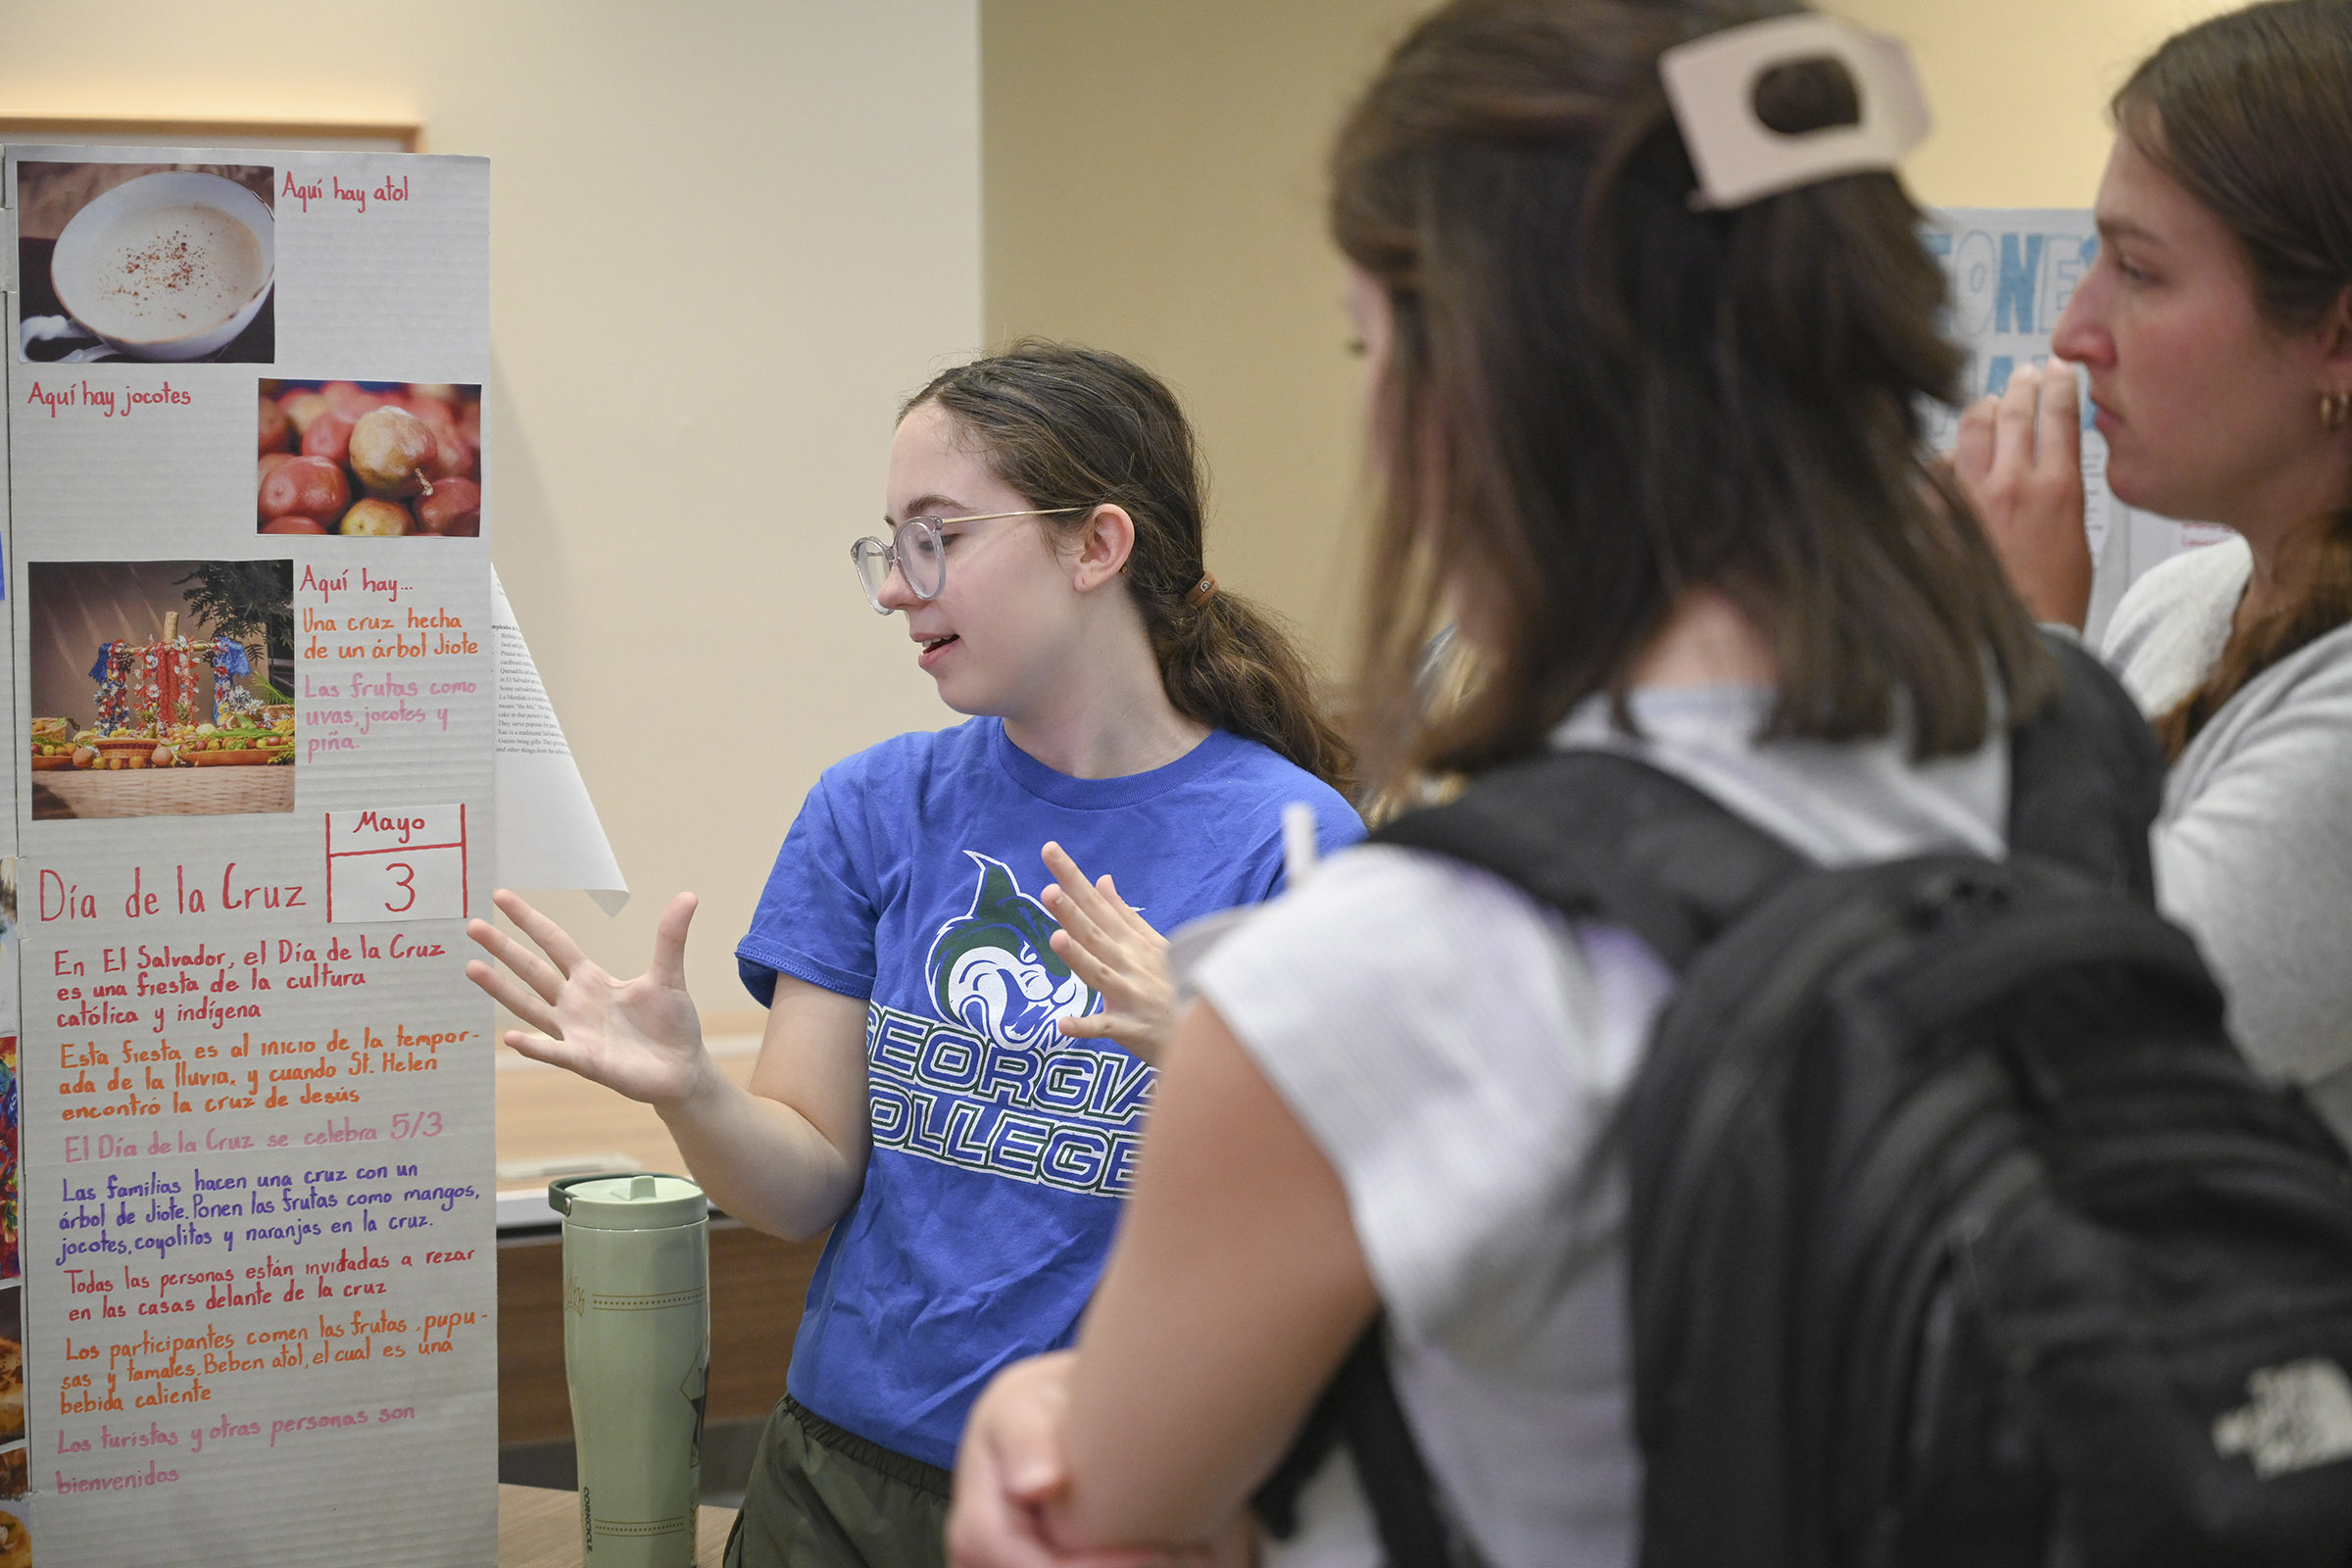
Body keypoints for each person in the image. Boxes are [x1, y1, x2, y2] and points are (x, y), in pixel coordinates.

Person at [943, 2, 2053, 1564]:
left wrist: (1028, 1433)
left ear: (1479, 381)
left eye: (1369, 344)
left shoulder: (1393, 971)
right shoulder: (2067, 774)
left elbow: (1111, 1523)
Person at [466, 340, 1363, 1568]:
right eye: (890, 543)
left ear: (1096, 547)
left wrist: (1213, 1046)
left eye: (939, 536)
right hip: (837, 1478)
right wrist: (693, 1091)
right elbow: (805, 1184)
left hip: (1104, 1500)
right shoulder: (874, 808)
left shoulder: (1291, 841)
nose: (897, 585)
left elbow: (1343, 1233)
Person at [1952, 0, 2352, 1141]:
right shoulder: (2181, 605)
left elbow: (2076, 1038)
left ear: (2339, 340)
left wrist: (2019, 642)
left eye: (2139, 270)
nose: (2078, 331)